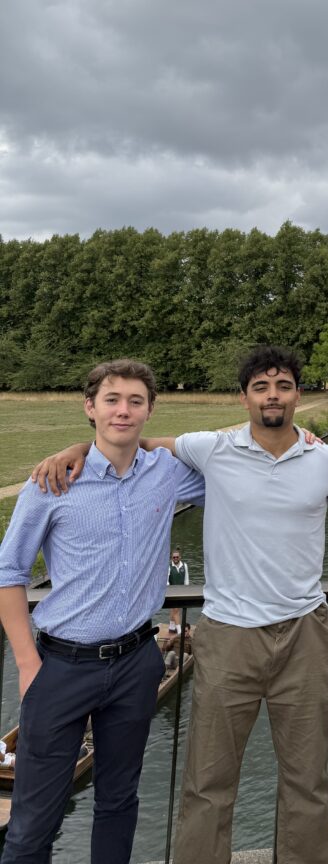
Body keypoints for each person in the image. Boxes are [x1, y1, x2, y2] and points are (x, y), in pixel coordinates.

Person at [32, 345, 328, 864]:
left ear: (298, 394)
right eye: (261, 387)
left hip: (306, 633)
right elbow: (132, 438)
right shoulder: (211, 448)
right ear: (244, 398)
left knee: (308, 782)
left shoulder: (327, 458)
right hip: (229, 636)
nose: (273, 396)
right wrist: (78, 447)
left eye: (283, 386)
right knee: (208, 783)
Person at [0, 359, 205, 864]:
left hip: (137, 662)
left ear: (150, 410)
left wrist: (298, 439)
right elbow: (9, 575)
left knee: (119, 802)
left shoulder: (167, 475)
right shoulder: (50, 483)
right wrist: (29, 666)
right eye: (112, 400)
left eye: (136, 401)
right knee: (33, 821)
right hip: (61, 667)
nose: (124, 410)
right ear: (89, 407)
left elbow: (239, 462)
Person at [167, 546, 189, 633]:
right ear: (171, 558)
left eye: (177, 557)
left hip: (182, 591)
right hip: (172, 591)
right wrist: (169, 590)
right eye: (173, 557)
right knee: (176, 610)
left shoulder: (185, 566)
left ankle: (172, 627)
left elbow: (186, 580)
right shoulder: (169, 567)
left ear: (180, 557)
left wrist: (187, 590)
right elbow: (166, 581)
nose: (175, 558)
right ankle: (180, 631)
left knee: (175, 609)